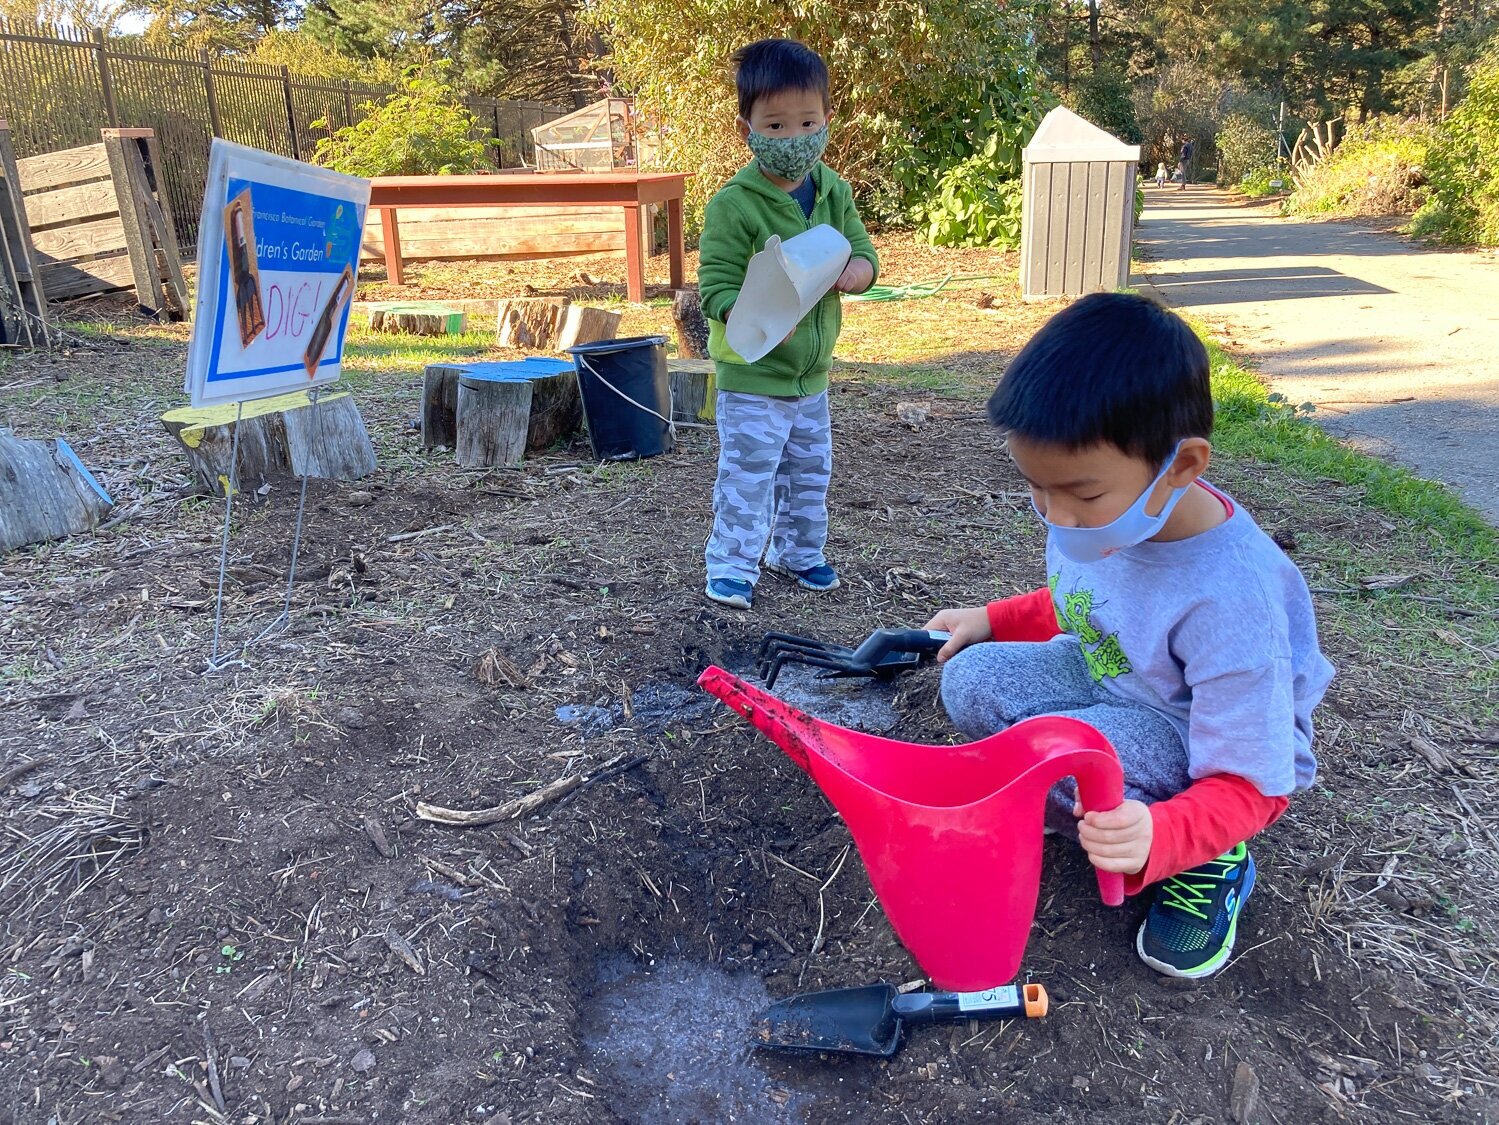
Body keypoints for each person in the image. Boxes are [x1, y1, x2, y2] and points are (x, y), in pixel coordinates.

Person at [927, 293, 1334, 980]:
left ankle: (1212, 857)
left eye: (1081, 495)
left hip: (1194, 736)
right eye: (1037, 489)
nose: (1056, 516)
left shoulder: (1233, 600)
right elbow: (1090, 602)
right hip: (1109, 676)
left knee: (1060, 754)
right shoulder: (1102, 518)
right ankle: (1080, 793)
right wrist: (992, 620)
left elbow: (1255, 780)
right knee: (970, 680)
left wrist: (1164, 834)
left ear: (1181, 466)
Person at [697, 38, 879, 610]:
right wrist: (751, 312)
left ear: (827, 119)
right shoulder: (734, 205)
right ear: (746, 129)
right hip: (754, 372)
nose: (793, 137)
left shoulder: (833, 191)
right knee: (749, 475)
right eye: (775, 126)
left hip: (812, 376)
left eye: (807, 123)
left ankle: (798, 553)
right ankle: (732, 565)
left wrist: (858, 272)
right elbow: (715, 285)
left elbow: (861, 252)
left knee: (809, 471)